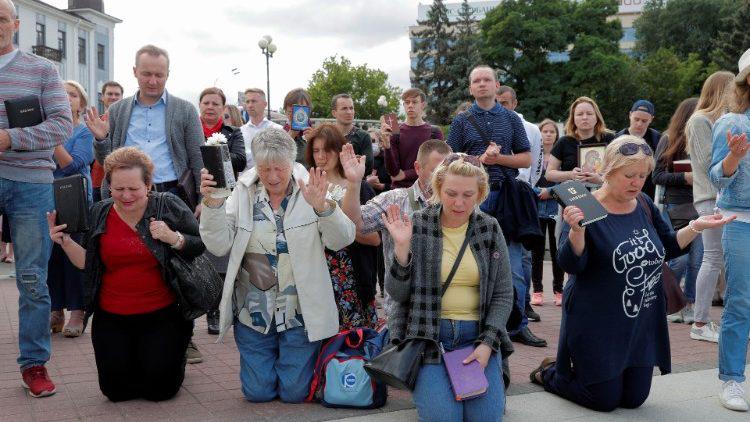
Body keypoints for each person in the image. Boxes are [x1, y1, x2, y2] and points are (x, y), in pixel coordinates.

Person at [531, 136, 732, 412]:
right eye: (629, 175)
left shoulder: (644, 203)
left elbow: (667, 248)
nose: (637, 182)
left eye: (642, 175)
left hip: (639, 320)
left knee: (634, 399)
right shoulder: (585, 207)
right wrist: (577, 232)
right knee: (604, 400)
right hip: (598, 321)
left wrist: (696, 226)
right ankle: (553, 373)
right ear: (608, 170)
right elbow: (571, 265)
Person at [199, 128, 355, 403]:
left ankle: (297, 364)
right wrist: (212, 204)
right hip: (253, 310)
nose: (272, 177)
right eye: (265, 168)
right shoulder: (242, 192)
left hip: (299, 311)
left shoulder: (314, 188)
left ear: (291, 163)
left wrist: (325, 209)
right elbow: (218, 244)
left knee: (294, 393)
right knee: (257, 393)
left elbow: (342, 239)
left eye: (279, 169)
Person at [47, 147, 203, 402]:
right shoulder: (100, 212)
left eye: (133, 188)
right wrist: (64, 242)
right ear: (109, 186)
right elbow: (88, 263)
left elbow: (198, 246)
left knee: (160, 391)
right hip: (113, 316)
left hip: (162, 313)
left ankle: (175, 350)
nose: (126, 195)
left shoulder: (168, 205)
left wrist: (172, 237)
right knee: (116, 392)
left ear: (148, 184)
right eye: (118, 189)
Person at [383, 153, 513, 421]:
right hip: (430, 336)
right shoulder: (418, 223)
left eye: (468, 195)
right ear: (438, 188)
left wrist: (488, 343)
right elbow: (397, 294)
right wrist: (402, 249)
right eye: (451, 193)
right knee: (444, 417)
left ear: (480, 193)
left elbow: (502, 294)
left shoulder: (489, 228)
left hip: (476, 335)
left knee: (486, 418)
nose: (459, 202)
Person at [0, 0, 73, 398]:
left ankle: (34, 365)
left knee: (31, 279)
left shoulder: (42, 69)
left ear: (14, 23)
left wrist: (11, 138)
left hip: (30, 183)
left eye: (0, 18)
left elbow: (62, 124)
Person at [447, 65, 544, 348]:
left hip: (505, 197)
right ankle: (478, 326)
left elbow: (526, 159)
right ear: (470, 88)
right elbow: (449, 158)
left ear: (496, 84)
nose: (481, 84)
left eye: (486, 79)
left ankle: (518, 325)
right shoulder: (462, 121)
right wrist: (479, 158)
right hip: (474, 198)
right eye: (476, 80)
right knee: (472, 264)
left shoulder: (511, 119)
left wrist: (498, 159)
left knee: (513, 266)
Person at [341, 140, 452, 317]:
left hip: (450, 310)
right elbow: (354, 223)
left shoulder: (461, 204)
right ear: (418, 168)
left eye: (448, 171)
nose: (443, 177)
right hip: (405, 313)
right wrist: (354, 183)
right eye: (435, 171)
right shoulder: (395, 200)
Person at [84, 45, 204, 209]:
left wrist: (203, 199)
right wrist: (101, 140)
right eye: (146, 74)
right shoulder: (117, 110)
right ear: (135, 71)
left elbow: (198, 158)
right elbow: (106, 161)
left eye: (159, 75)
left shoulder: (186, 110)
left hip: (173, 195)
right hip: (126, 198)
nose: (152, 81)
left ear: (168, 74)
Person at [306, 123, 380, 329]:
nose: (321, 156)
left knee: (354, 346)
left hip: (353, 276)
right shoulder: (306, 187)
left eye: (327, 150)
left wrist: (337, 224)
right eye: (315, 150)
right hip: (317, 276)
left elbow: (374, 238)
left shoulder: (358, 187)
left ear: (339, 150)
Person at [709, 47, 750, 412]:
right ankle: (732, 379)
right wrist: (733, 159)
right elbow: (715, 181)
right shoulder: (732, 123)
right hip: (743, 223)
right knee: (741, 301)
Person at [686, 70, 736, 343]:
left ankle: (714, 321)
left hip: (721, 198)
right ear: (721, 91)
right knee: (714, 258)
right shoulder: (700, 121)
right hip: (711, 198)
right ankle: (701, 322)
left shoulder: (716, 120)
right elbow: (709, 164)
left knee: (724, 260)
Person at [48, 80, 95, 338]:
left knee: (73, 255)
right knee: (51, 258)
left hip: (73, 200)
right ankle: (56, 310)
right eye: (62, 94)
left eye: (73, 95)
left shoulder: (84, 132)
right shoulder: (46, 127)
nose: (67, 98)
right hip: (45, 198)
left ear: (82, 103)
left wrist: (52, 140)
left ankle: (78, 310)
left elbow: (73, 165)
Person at [198, 87, 246, 335]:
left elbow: (239, 159)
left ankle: (215, 310)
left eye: (215, 103)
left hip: (222, 199)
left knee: (218, 255)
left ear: (223, 108)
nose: (210, 106)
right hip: (191, 196)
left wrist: (216, 151)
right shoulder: (191, 129)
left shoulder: (232, 133)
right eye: (206, 102)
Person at [652, 98, 702, 325]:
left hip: (703, 204)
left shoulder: (705, 138)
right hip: (677, 206)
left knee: (697, 260)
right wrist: (685, 177)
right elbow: (657, 176)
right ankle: (670, 301)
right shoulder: (668, 139)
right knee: (679, 259)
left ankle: (690, 303)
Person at [497, 85, 544, 322]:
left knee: (522, 255)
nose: (502, 106)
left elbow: (536, 164)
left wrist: (525, 188)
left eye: (506, 103)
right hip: (496, 194)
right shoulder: (490, 123)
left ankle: (522, 306)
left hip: (519, 194)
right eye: (498, 102)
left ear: (515, 103)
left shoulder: (531, 129)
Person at [530, 119, 565, 307]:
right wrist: (539, 192)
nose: (549, 134)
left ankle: (559, 290)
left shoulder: (560, 156)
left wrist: (550, 192)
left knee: (556, 249)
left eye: (552, 132)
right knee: (536, 252)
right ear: (540, 134)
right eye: (545, 131)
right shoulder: (535, 154)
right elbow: (528, 178)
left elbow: (566, 179)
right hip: (536, 206)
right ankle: (537, 291)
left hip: (556, 206)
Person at [380, 88, 443, 188]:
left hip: (427, 189)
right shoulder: (395, 131)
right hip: (400, 190)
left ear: (423, 105)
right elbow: (393, 173)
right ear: (404, 105)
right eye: (407, 102)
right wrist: (387, 147)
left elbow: (438, 166)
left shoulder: (434, 132)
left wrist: (405, 174)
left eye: (414, 102)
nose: (410, 105)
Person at [545, 96, 615, 185]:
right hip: (573, 195)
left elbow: (621, 169)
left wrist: (601, 180)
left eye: (589, 113)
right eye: (580, 114)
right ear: (573, 118)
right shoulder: (564, 142)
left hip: (604, 195)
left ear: (597, 117)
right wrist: (570, 174)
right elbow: (549, 174)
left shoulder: (610, 139)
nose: (585, 117)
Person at [616, 100, 662, 199]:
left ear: (651, 119)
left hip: (650, 192)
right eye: (636, 119)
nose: (639, 124)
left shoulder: (657, 139)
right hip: (623, 190)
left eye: (644, 121)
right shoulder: (617, 139)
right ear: (630, 115)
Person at [90, 81, 124, 203]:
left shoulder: (127, 123)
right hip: (97, 181)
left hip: (121, 183)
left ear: (122, 97)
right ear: (102, 97)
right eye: (109, 94)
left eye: (117, 94)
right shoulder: (95, 122)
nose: (113, 97)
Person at [239, 88, 281, 170]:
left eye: (254, 101)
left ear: (265, 104)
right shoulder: (239, 132)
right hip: (245, 180)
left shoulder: (277, 130)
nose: (250, 105)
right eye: (247, 102)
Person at [332, 93, 374, 176]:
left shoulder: (363, 136)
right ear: (334, 113)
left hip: (357, 185)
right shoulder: (327, 135)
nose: (349, 112)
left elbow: (368, 168)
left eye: (351, 108)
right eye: (344, 108)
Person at [282, 88, 313, 167]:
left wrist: (312, 142)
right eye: (291, 112)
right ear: (285, 111)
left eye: (302, 111)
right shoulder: (281, 133)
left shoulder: (315, 132)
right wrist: (291, 135)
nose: (296, 116)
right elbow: (277, 157)